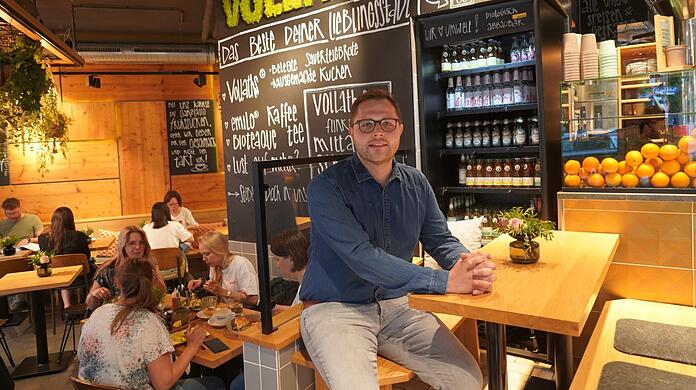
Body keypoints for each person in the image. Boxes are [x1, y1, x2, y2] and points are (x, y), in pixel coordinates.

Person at [299, 89, 496, 390]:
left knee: (467, 380)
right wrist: (444, 282)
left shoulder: (416, 182)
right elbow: (361, 256)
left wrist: (469, 264)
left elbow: (440, 239)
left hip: (397, 306)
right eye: (366, 124)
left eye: (387, 123)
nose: (377, 132)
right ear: (351, 131)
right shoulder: (326, 187)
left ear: (400, 129)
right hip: (335, 309)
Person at [78, 258, 225, 390]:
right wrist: (192, 346)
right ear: (153, 282)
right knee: (216, 383)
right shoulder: (148, 323)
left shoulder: (98, 313)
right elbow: (164, 383)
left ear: (117, 282)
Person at [86, 225, 166, 313]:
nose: (138, 247)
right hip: (114, 317)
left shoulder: (149, 264)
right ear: (122, 245)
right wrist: (95, 294)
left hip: (145, 315)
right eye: (131, 243)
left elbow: (162, 293)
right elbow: (90, 306)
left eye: (142, 243)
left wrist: (155, 281)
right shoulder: (108, 270)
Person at [38, 207, 91, 308]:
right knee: (97, 272)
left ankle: (67, 306)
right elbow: (87, 256)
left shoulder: (43, 239)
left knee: (62, 272)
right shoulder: (79, 236)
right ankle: (88, 304)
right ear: (70, 221)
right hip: (80, 275)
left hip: (56, 276)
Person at [187, 231, 259, 306]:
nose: (204, 259)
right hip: (225, 311)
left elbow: (253, 300)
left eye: (207, 254)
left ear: (220, 250)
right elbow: (215, 286)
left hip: (244, 313)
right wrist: (202, 282)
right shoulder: (215, 266)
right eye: (202, 254)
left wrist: (223, 292)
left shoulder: (241, 264)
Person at [270, 229, 308, 309]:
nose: (277, 266)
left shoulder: (307, 286)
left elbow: (302, 313)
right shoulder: (306, 279)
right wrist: (278, 308)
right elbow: (298, 309)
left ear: (292, 259)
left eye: (277, 259)